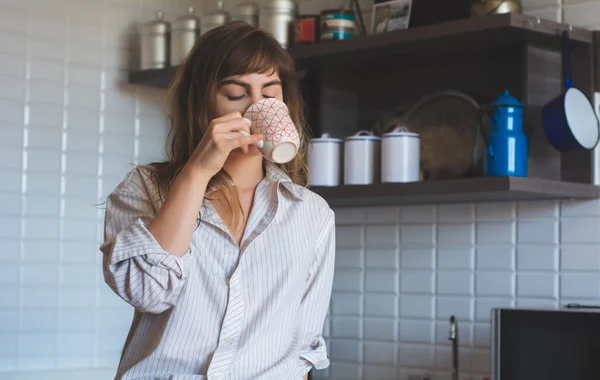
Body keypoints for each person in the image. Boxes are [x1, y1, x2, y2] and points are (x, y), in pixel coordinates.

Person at [99, 21, 336, 380]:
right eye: (236, 94)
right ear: (203, 102)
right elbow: (147, 292)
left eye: (270, 93)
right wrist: (195, 173)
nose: (257, 106)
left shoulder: (311, 213)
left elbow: (301, 349)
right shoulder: (145, 188)